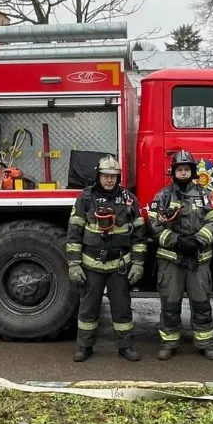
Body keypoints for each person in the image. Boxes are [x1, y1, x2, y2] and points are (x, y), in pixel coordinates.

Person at [66, 154, 147, 362]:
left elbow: (139, 234)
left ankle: (126, 346)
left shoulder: (129, 199)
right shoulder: (85, 198)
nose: (109, 180)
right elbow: (74, 233)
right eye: (105, 176)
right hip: (91, 264)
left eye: (113, 176)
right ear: (98, 176)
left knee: (122, 308)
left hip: (119, 265)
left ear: (118, 178)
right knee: (88, 308)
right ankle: (84, 346)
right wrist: (74, 264)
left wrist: (138, 263)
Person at [147, 150, 213, 360]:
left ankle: (205, 343)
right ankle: (169, 343)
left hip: (198, 259)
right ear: (173, 172)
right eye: (179, 169)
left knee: (201, 303)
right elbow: (153, 223)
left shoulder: (204, 195)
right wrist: (177, 241)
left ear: (192, 172)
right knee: (170, 303)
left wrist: (198, 240)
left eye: (186, 169)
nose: (183, 173)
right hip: (171, 260)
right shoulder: (162, 196)